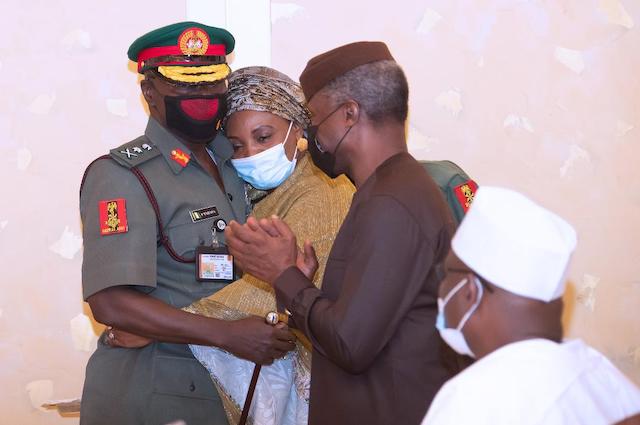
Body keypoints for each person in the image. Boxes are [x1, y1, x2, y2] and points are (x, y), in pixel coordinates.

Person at [224, 42, 457, 425]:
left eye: (314, 119)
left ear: (349, 114)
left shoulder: (392, 201)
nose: (310, 135)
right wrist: (297, 283)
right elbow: (352, 328)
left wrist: (283, 274)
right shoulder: (387, 190)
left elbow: (351, 345)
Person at [79, 22, 295, 425]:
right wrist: (226, 334)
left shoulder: (236, 160)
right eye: (185, 84)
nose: (203, 97)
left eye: (211, 82)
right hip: (159, 393)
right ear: (149, 92)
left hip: (237, 389)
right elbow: (110, 301)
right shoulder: (124, 176)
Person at [184, 66, 354, 424]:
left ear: (297, 130)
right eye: (237, 145)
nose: (251, 153)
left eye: (263, 137)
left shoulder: (323, 193)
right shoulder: (256, 195)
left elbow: (268, 290)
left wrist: (159, 327)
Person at [422, 186, 640, 425]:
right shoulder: (603, 377)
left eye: (447, 272)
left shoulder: (474, 402)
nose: (442, 286)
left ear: (469, 291)